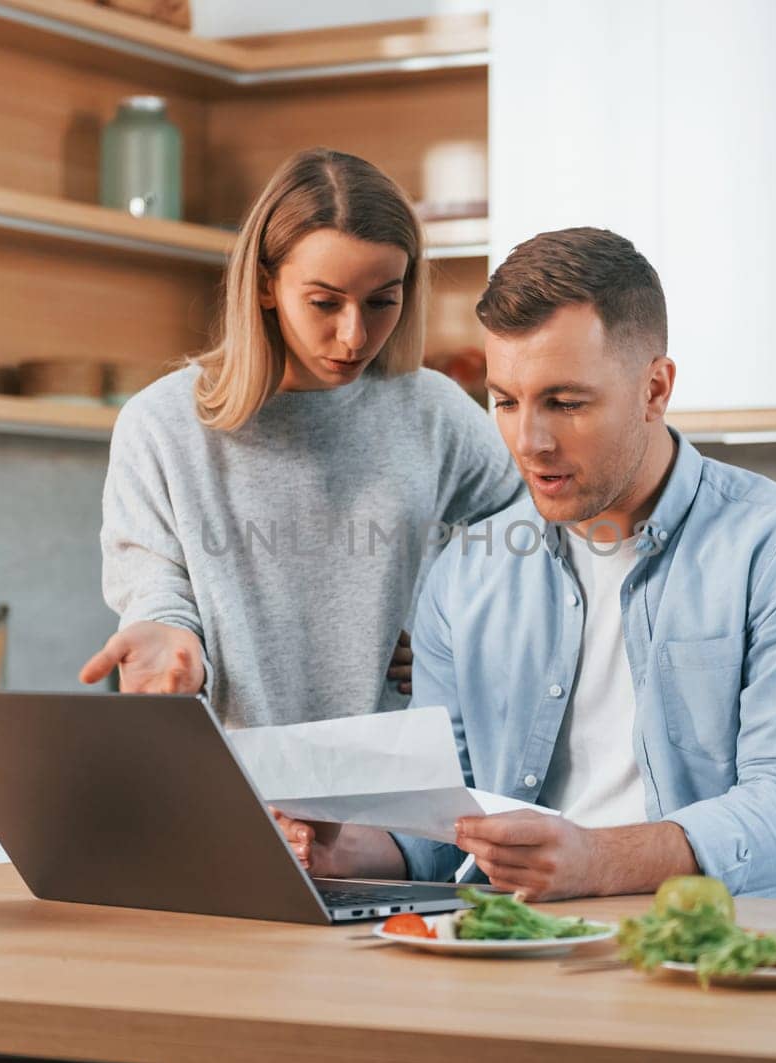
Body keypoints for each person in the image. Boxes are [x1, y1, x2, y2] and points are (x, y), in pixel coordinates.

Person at [277, 227, 776, 900]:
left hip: (737, 962)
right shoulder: (466, 573)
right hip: (527, 959)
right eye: (505, 401)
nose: (529, 442)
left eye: (565, 403)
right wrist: (340, 847)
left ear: (654, 389)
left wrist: (597, 861)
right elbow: (446, 834)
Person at [79, 148, 521, 729]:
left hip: (397, 796)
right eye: (324, 303)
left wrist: (459, 621)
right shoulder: (161, 426)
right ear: (266, 286)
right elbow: (153, 584)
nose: (355, 334)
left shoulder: (432, 411)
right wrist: (166, 635)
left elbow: (533, 538)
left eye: (382, 301)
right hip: (235, 784)